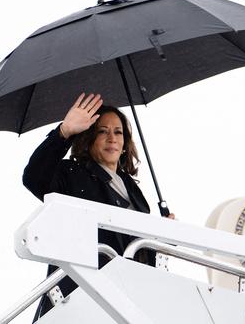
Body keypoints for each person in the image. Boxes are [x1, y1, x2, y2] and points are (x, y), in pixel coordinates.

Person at [22, 93, 173, 321]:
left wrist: (162, 235)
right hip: (81, 298)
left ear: (125, 143)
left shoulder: (134, 191)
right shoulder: (72, 174)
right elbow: (33, 178)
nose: (112, 138)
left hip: (126, 299)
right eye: (102, 131)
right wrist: (63, 132)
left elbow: (137, 247)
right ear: (89, 137)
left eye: (118, 132)